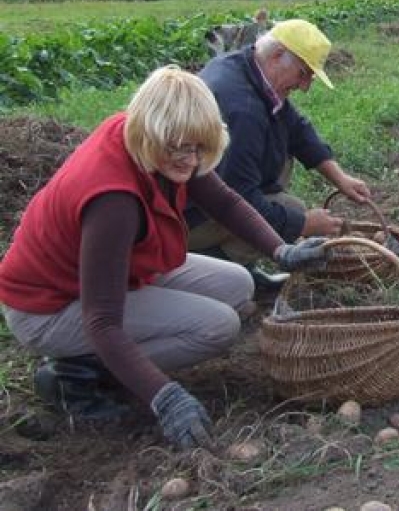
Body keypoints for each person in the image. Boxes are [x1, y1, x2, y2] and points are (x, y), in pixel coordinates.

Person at [0, 66, 330, 446]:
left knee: (239, 284)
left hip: (120, 269)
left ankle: (108, 362)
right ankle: (75, 376)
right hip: (48, 307)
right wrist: (165, 397)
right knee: (217, 327)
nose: (189, 159)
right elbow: (102, 322)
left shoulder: (156, 140)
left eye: (198, 148)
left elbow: (224, 201)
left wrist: (280, 249)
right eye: (179, 148)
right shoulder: (112, 202)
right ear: (153, 133)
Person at [186, 18, 372, 289]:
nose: (305, 86)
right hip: (188, 217)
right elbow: (236, 197)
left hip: (206, 189)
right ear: (277, 56)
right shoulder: (242, 109)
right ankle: (211, 269)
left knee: (281, 165)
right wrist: (301, 224)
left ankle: (237, 264)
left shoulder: (247, 67)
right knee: (291, 209)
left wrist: (340, 178)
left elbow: (296, 127)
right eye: (303, 73)